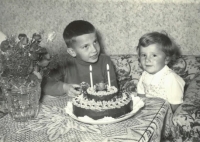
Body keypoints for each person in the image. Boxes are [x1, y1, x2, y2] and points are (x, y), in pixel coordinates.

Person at [42, 20, 118, 99]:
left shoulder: (105, 61)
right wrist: (65, 88)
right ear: (72, 52)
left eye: (95, 42)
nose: (94, 50)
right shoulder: (65, 63)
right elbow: (45, 85)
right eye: (86, 46)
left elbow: (113, 88)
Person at [136, 32, 185, 113]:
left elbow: (175, 105)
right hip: (147, 112)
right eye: (144, 55)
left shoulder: (171, 78)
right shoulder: (144, 74)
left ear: (166, 59)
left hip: (164, 115)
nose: (147, 59)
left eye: (154, 55)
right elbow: (141, 95)